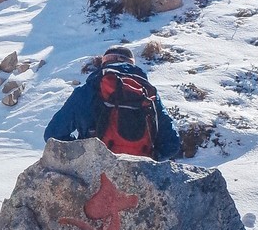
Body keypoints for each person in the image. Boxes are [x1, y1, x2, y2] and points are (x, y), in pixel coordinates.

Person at [44, 44, 181, 160]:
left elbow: (53, 135)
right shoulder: (148, 93)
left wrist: (82, 152)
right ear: (131, 64)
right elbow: (172, 144)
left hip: (96, 167)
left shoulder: (87, 91)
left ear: (104, 63)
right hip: (142, 172)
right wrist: (150, 160)